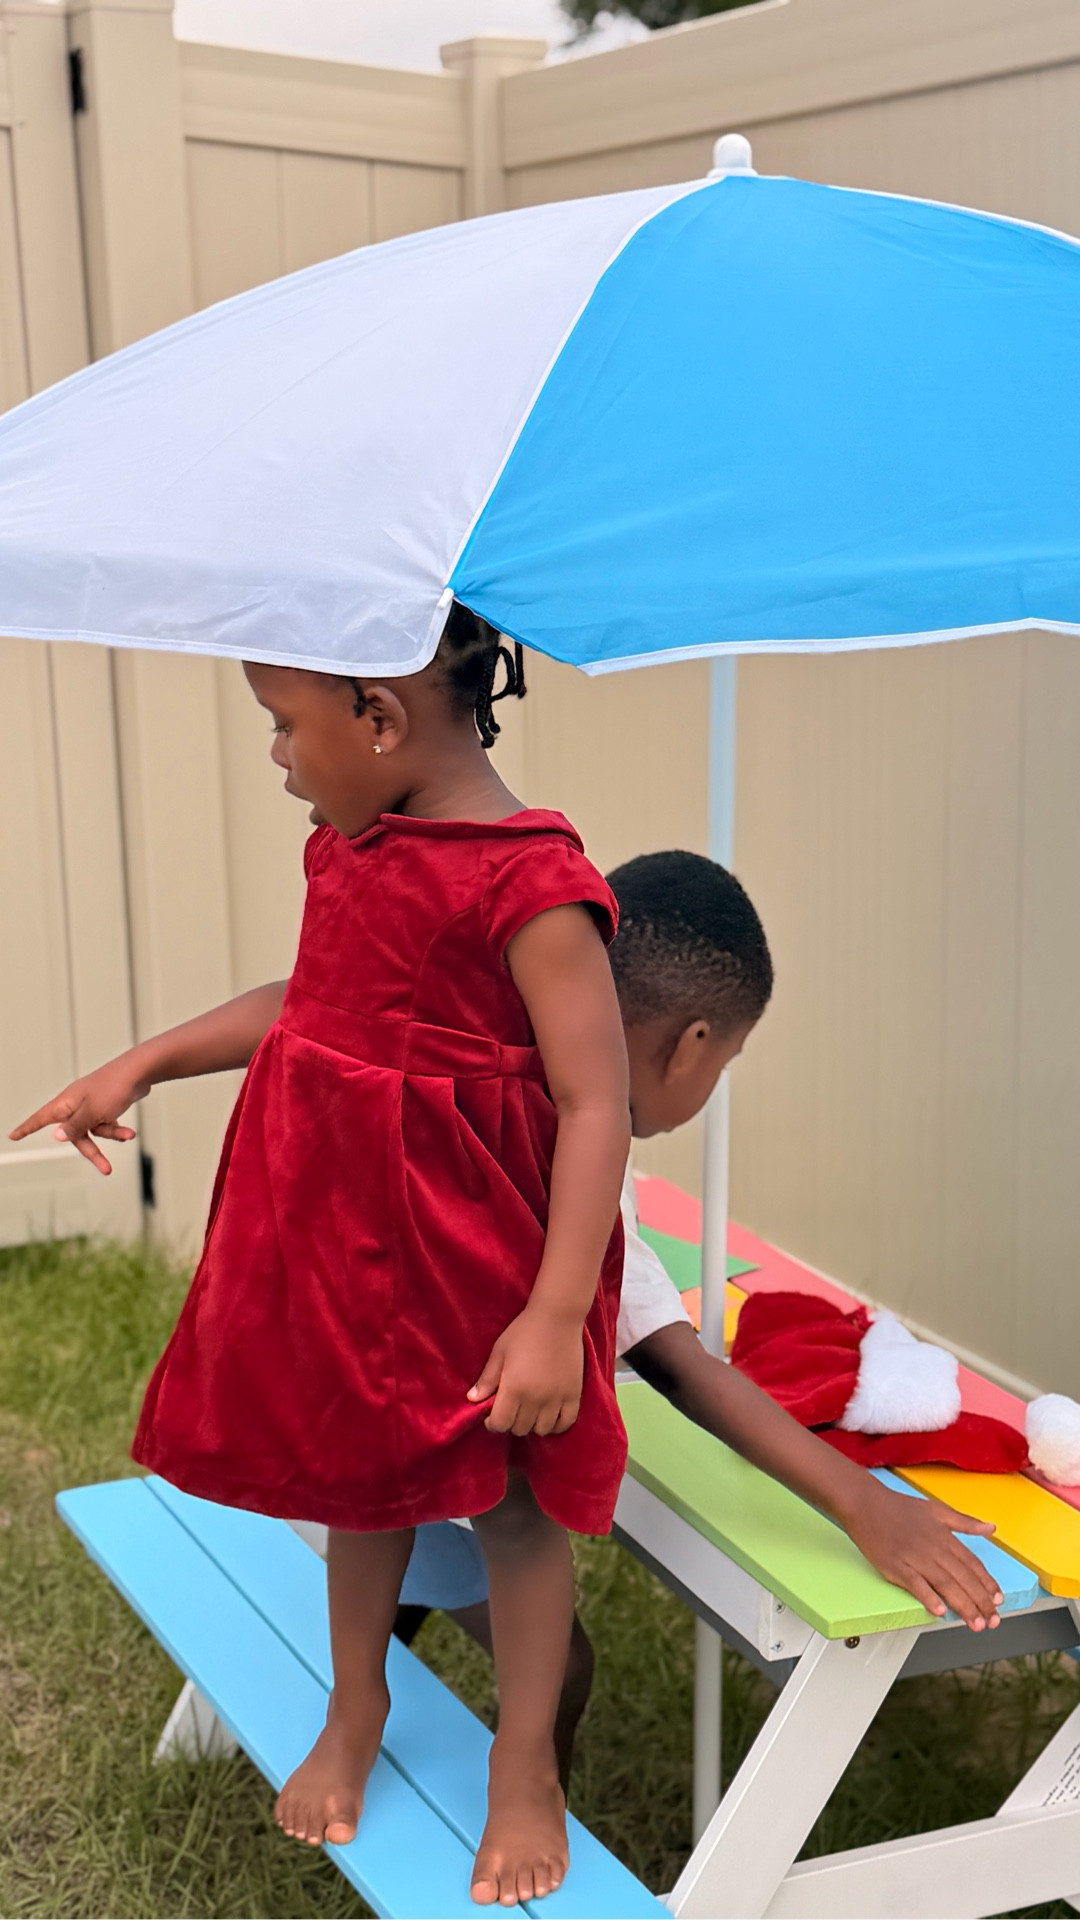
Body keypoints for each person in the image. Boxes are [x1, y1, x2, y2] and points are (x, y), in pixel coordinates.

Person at [10, 605, 633, 1911]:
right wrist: (146, 1059)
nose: (282, 757)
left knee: (511, 1509)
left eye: (285, 726)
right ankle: (359, 1706)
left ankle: (525, 1764)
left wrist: (554, 1311)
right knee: (362, 1486)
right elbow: (317, 1004)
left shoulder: (532, 886)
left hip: (483, 1267)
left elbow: (596, 1103)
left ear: (382, 717)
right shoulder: (352, 849)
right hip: (347, 1249)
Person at [389, 850, 1004, 1784]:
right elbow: (678, 1366)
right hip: (379, 1465)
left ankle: (367, 1673)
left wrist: (860, 1502)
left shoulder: (480, 1075)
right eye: (728, 1059)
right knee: (558, 1671)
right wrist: (864, 1502)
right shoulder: (564, 1143)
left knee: (443, 1564)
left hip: (343, 1435)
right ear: (692, 1043)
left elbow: (669, 1354)